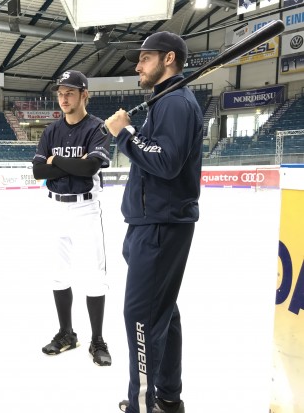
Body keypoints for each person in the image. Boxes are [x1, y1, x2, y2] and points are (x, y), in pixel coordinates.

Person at [104, 32, 203, 413]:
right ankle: (166, 397)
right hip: (153, 224)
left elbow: (165, 162)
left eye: (145, 58)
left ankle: (142, 405)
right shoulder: (163, 102)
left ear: (169, 59)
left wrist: (124, 135)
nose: (137, 65)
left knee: (142, 318)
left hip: (161, 225)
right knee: (162, 313)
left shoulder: (176, 103)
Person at [32, 70, 113, 366]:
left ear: (84, 95)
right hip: (55, 207)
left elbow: (90, 167)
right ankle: (66, 333)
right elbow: (39, 172)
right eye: (60, 93)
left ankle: (98, 340)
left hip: (85, 208)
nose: (64, 98)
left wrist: (56, 161)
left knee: (94, 275)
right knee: (58, 273)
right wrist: (71, 164)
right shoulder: (52, 130)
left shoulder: (97, 128)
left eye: (70, 92)